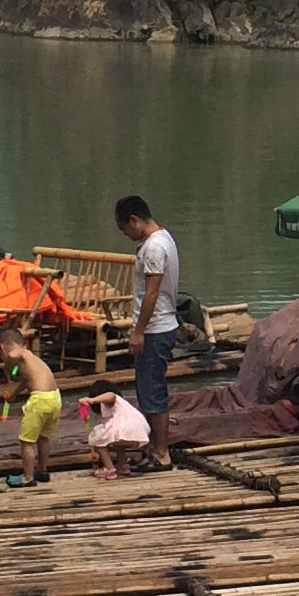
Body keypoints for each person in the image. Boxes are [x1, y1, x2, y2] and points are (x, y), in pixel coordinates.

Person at [115, 194, 180, 471]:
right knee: (148, 389)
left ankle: (161, 453)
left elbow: (152, 293)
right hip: (160, 325)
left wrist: (138, 331)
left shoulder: (153, 248)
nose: (126, 235)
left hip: (155, 328)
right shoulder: (164, 239)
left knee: (153, 391)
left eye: (125, 229)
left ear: (134, 220)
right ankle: (154, 447)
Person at [0, 332, 76, 486]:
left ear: (2, 348)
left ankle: (27, 477)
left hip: (39, 400)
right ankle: (42, 469)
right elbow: (27, 381)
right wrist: (13, 394)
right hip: (54, 398)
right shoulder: (32, 361)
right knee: (44, 437)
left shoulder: (23, 354)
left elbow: (17, 353)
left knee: (26, 441)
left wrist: (9, 359)